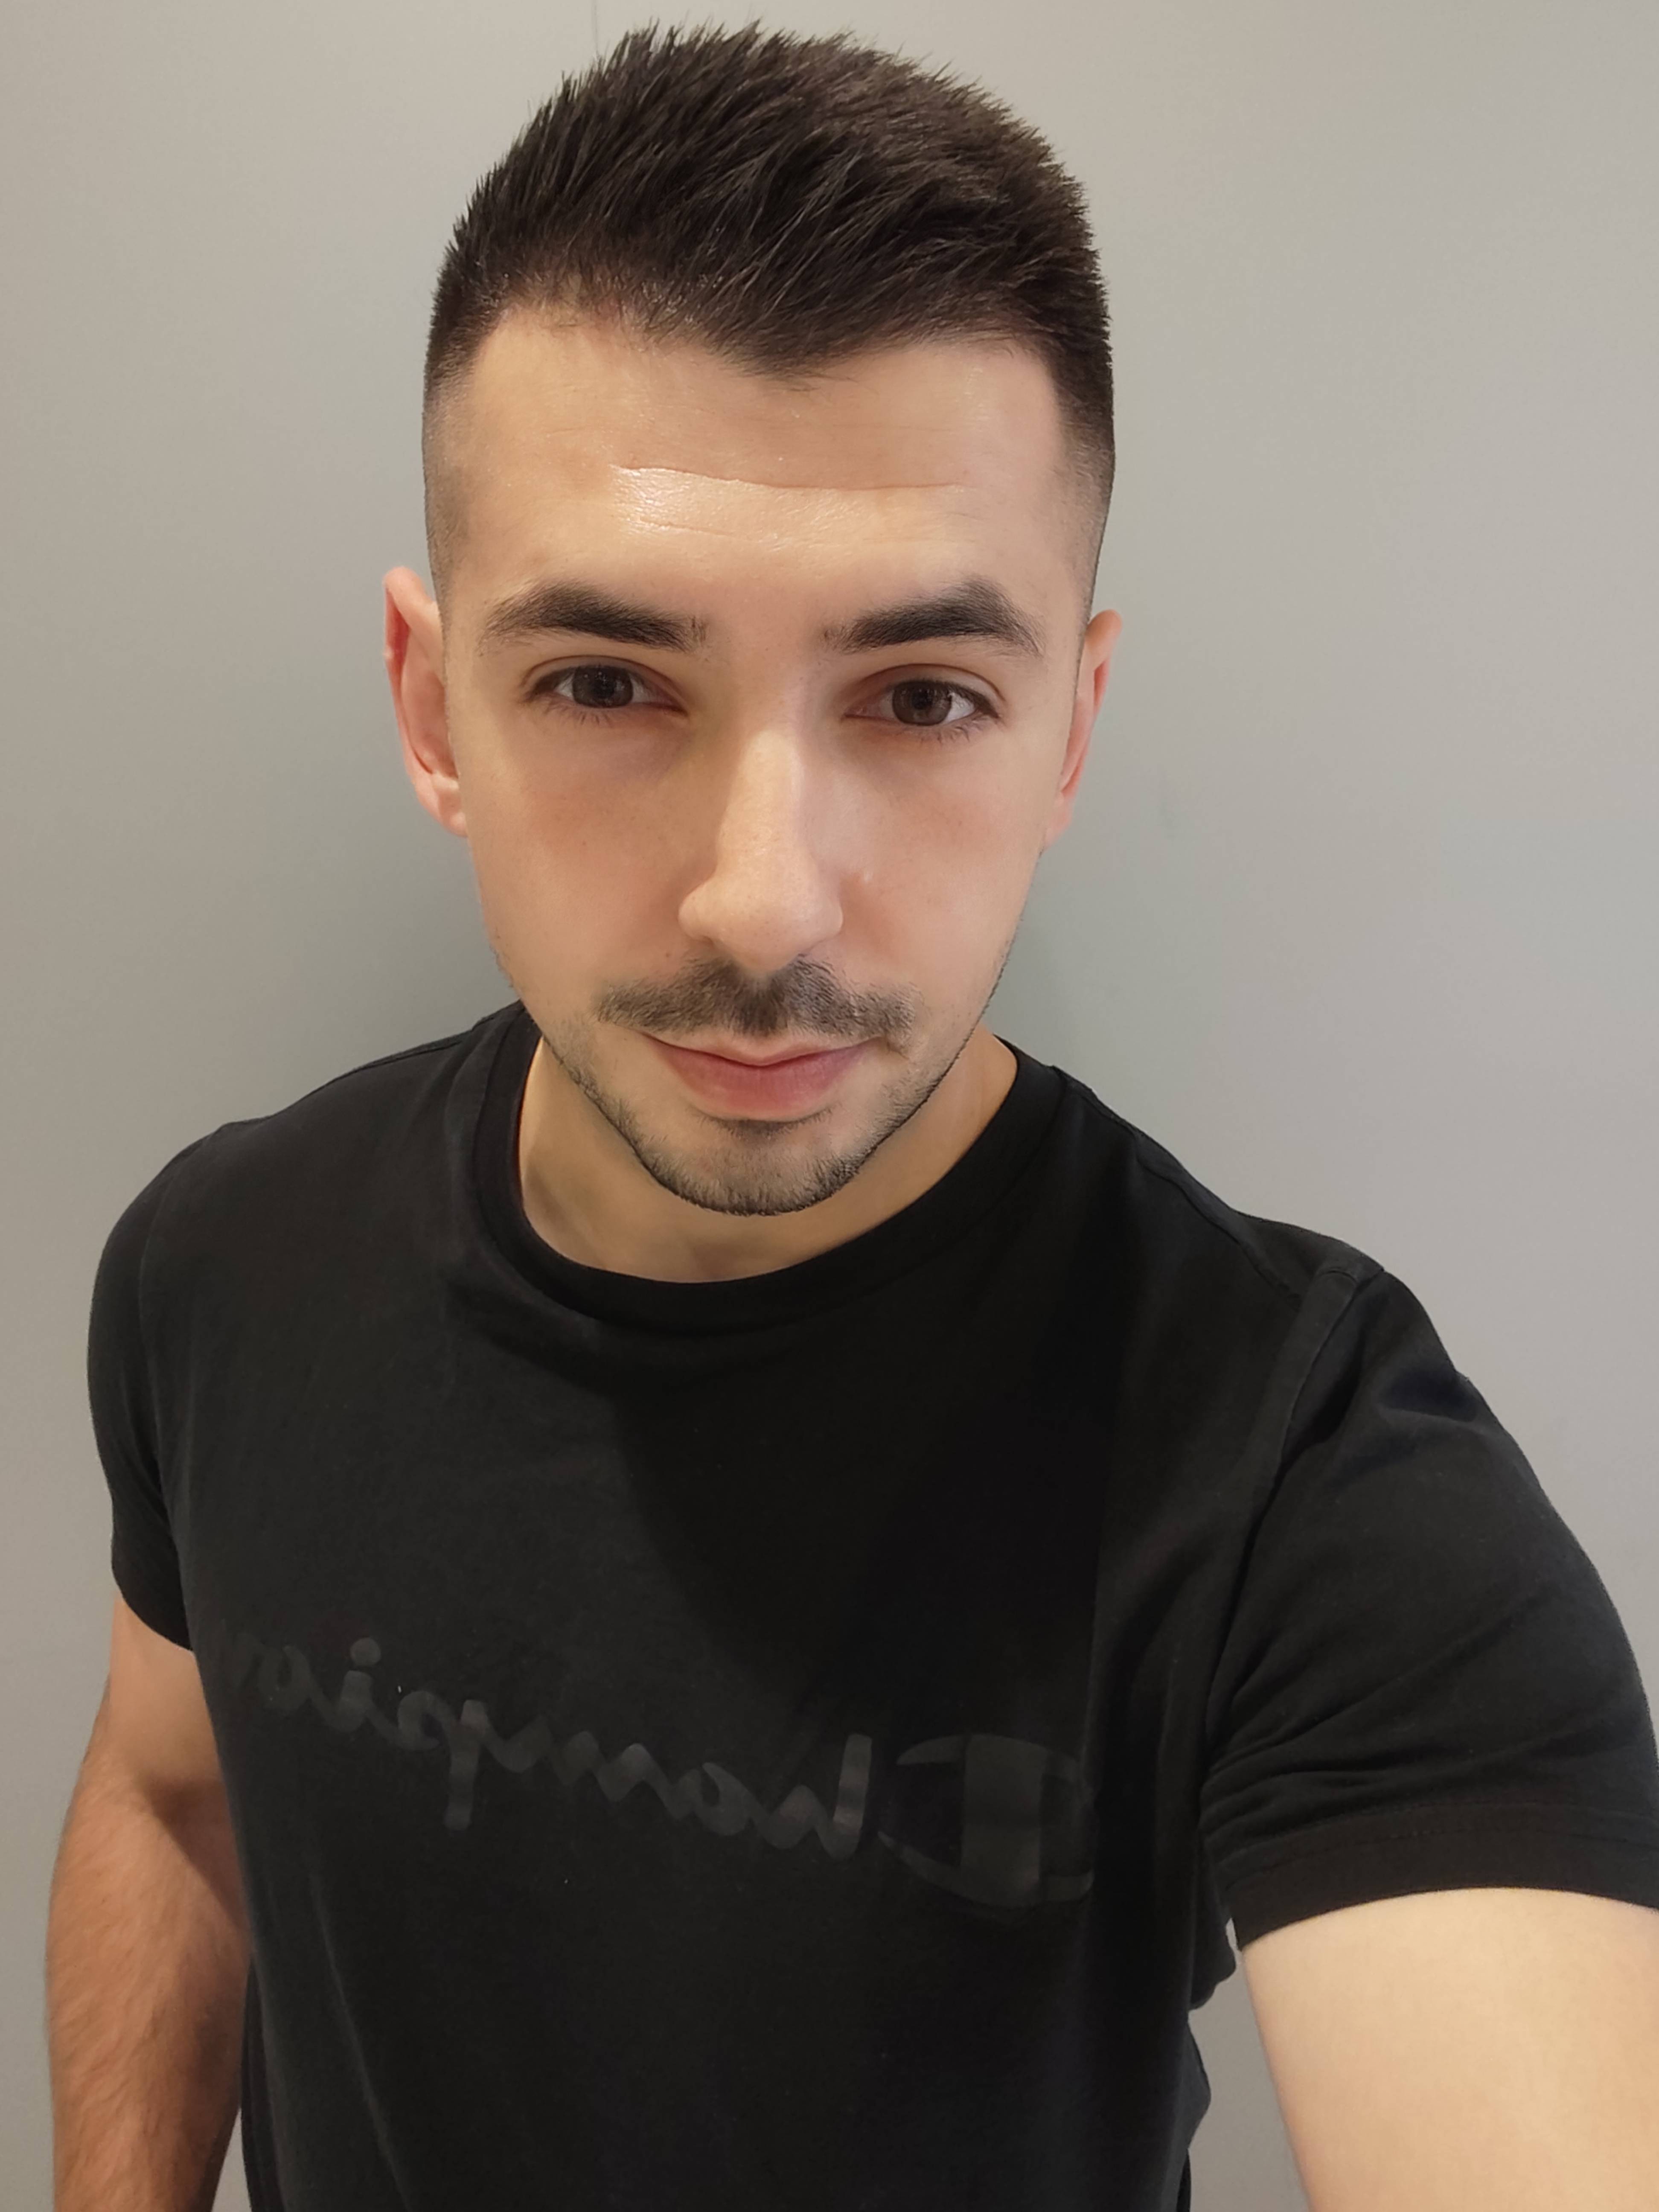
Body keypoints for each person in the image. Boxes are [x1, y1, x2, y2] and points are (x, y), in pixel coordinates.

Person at [47, 23, 1659, 2212]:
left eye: (921, 697)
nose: (767, 900)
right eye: (607, 683)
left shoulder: (1305, 1486)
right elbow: (171, 1797)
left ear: (1069, 730)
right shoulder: (220, 1269)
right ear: (433, 708)